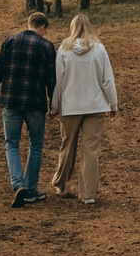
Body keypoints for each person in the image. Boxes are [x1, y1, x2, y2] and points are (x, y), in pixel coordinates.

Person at [45, 12, 118, 205]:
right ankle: (88, 194)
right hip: (95, 105)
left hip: (70, 106)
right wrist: (113, 104)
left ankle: (61, 185)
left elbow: (59, 81)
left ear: (72, 28)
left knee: (67, 145)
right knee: (90, 150)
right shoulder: (99, 49)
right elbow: (107, 79)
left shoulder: (64, 49)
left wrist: (55, 105)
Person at [0, 10, 55, 207]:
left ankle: (18, 185)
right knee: (36, 144)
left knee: (11, 143)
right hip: (35, 102)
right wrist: (54, 103)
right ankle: (31, 189)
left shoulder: (10, 41)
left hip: (10, 100)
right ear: (43, 27)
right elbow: (51, 78)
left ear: (29, 24)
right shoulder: (46, 46)